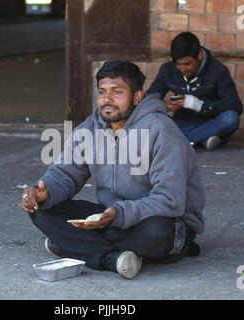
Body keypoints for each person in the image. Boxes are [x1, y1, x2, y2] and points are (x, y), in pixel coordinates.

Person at [22, 60, 205, 279]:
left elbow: (169, 200)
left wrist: (119, 214)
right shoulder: (91, 127)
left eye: (117, 92)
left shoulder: (161, 130)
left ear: (137, 97)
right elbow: (64, 174)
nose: (107, 99)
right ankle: (112, 258)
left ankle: (74, 246)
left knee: (156, 233)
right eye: (102, 92)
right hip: (111, 217)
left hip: (162, 220)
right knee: (42, 210)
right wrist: (44, 192)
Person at [146, 32, 243, 151]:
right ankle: (201, 139)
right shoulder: (167, 70)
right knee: (150, 115)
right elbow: (148, 99)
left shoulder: (218, 70)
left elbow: (235, 105)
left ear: (200, 55)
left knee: (231, 118)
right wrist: (162, 105)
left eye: (187, 64)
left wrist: (198, 105)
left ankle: (183, 140)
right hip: (181, 124)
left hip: (210, 124)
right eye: (178, 65)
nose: (182, 69)